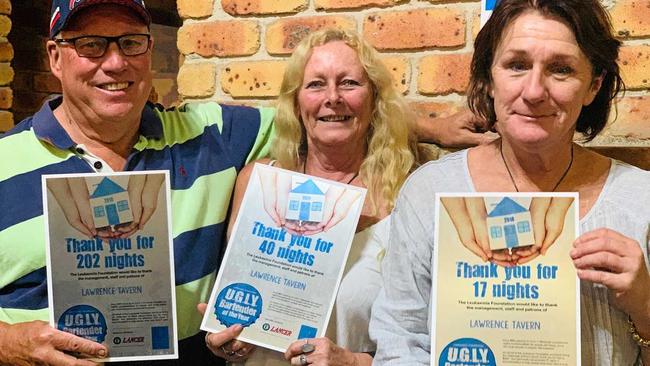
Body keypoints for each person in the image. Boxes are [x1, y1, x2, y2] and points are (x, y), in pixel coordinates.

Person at [0, 1, 491, 365]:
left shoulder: (210, 134)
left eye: (131, 42)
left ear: (149, 52)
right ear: (55, 57)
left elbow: (330, 115)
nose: (114, 63)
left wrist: (434, 126)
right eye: (90, 45)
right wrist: (15, 345)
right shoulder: (3, 163)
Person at [369, 0, 650, 365]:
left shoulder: (640, 199)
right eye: (516, 65)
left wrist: (645, 304)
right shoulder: (430, 192)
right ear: (488, 78)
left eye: (561, 70)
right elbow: (399, 343)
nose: (534, 91)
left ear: (593, 86)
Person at [203, 28, 419, 366]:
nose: (332, 97)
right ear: (295, 102)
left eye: (349, 83)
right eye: (316, 84)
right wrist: (228, 339)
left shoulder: (404, 196)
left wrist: (352, 362)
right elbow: (237, 307)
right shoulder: (258, 183)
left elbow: (421, 338)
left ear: (374, 99)